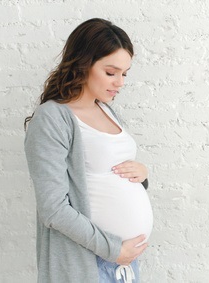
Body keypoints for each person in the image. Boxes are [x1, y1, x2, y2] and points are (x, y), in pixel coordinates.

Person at [24, 18, 153, 283]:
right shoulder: (52, 118)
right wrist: (114, 249)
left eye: (124, 73)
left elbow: (107, 174)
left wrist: (142, 175)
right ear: (83, 64)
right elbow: (53, 209)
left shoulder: (106, 109)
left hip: (123, 265)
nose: (120, 82)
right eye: (111, 72)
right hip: (87, 264)